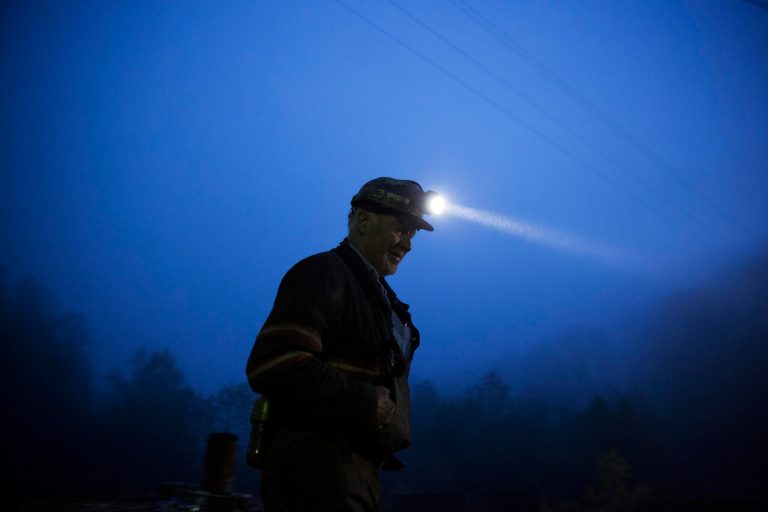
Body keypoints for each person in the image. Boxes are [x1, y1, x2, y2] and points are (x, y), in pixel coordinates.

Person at [245, 177, 435, 511]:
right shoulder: (326, 273)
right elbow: (275, 363)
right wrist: (365, 401)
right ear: (363, 221)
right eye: (401, 229)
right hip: (316, 466)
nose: (408, 245)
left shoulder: (375, 296)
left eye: (413, 234)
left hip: (352, 469)